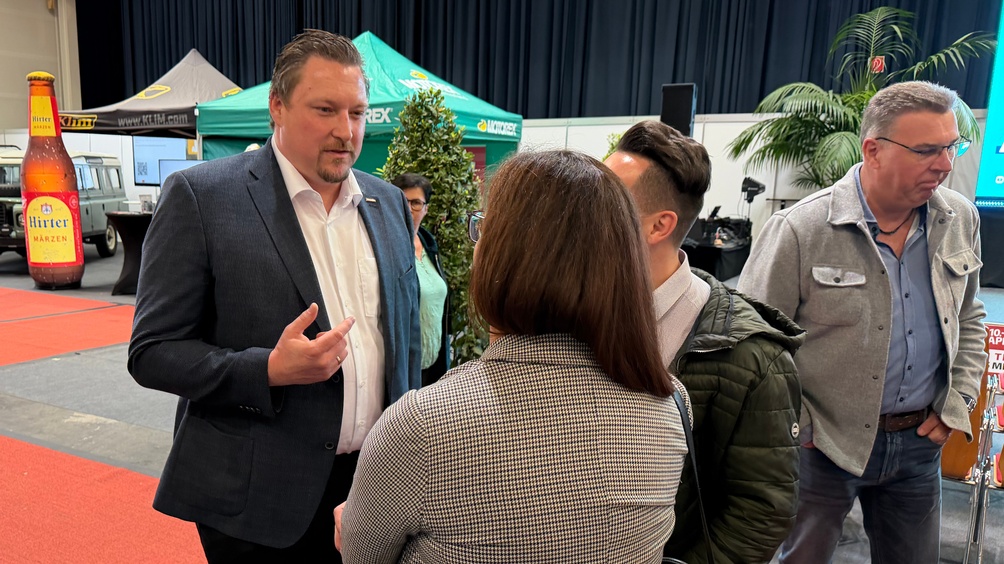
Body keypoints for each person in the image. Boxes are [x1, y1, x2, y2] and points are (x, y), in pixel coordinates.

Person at [127, 29, 420, 562]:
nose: (345, 131)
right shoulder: (202, 197)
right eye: (325, 110)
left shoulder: (389, 203)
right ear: (277, 106)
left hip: (377, 487)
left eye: (357, 113)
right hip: (258, 498)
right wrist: (267, 370)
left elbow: (405, 340)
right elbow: (152, 352)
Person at [334, 149, 690, 563]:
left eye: (484, 228)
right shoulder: (670, 403)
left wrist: (351, 530)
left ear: (501, 255)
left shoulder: (423, 427)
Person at [738, 81, 987, 564]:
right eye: (927, 150)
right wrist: (799, 424)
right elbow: (753, 342)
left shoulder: (959, 218)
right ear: (873, 150)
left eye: (951, 147)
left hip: (918, 443)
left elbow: (968, 315)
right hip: (822, 448)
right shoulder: (801, 229)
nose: (945, 164)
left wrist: (958, 401)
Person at [605, 120, 805, 563]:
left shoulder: (753, 357)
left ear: (659, 225)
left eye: (605, 199)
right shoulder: (575, 308)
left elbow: (760, 512)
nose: (584, 210)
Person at [390, 173, 450, 385]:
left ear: (426, 209)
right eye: (402, 201)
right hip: (404, 369)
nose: (408, 208)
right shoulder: (387, 248)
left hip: (434, 367)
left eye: (416, 203)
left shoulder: (429, 245)